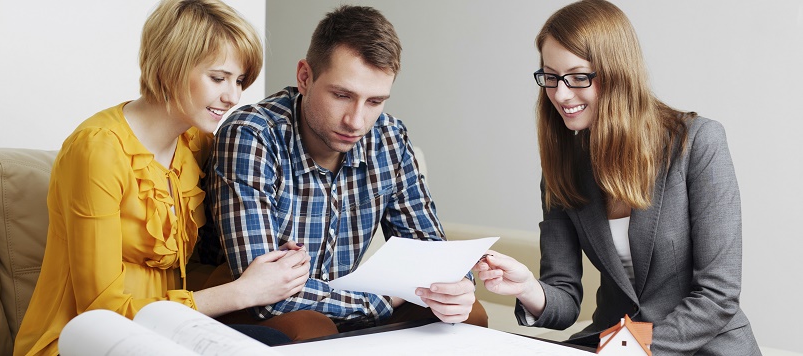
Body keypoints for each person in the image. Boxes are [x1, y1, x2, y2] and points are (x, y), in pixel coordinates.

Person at [12, 1, 308, 354]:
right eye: (218, 78)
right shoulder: (97, 151)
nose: (233, 97)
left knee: (281, 341)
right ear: (171, 66)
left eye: (239, 80)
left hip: (167, 331)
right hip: (83, 339)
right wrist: (241, 291)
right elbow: (101, 311)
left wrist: (268, 269)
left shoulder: (196, 143)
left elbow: (187, 270)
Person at [474, 0, 759, 354]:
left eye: (578, 77)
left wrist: (631, 347)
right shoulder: (563, 169)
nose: (560, 94)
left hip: (699, 347)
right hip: (611, 346)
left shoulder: (698, 142)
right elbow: (564, 300)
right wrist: (528, 288)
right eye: (550, 77)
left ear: (617, 73)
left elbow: (718, 296)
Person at [201, 5, 487, 339]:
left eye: (375, 101)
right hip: (258, 312)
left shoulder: (389, 137)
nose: (357, 121)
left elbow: (432, 252)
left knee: (468, 317)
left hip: (347, 303)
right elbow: (267, 298)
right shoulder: (252, 135)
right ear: (305, 77)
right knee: (311, 328)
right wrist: (380, 302)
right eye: (342, 95)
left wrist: (457, 288)